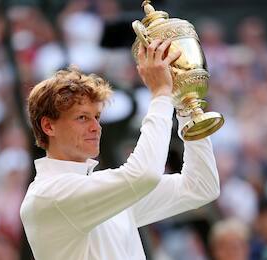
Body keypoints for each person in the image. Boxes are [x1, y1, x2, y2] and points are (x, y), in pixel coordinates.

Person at [20, 39, 220, 260]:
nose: (96, 127)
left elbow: (201, 187)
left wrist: (185, 103)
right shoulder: (49, 195)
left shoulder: (98, 190)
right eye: (82, 118)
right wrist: (162, 94)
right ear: (48, 126)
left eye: (97, 117)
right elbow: (144, 175)